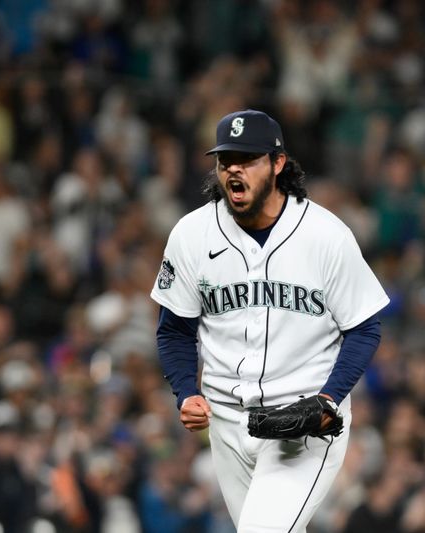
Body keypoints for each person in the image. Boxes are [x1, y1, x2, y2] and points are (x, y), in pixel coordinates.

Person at [150, 109, 389, 532]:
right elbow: (175, 329)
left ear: (278, 164)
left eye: (248, 159)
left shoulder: (324, 235)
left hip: (303, 425)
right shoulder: (192, 235)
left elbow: (364, 327)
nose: (234, 170)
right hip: (226, 426)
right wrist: (185, 391)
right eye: (226, 161)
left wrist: (330, 398)